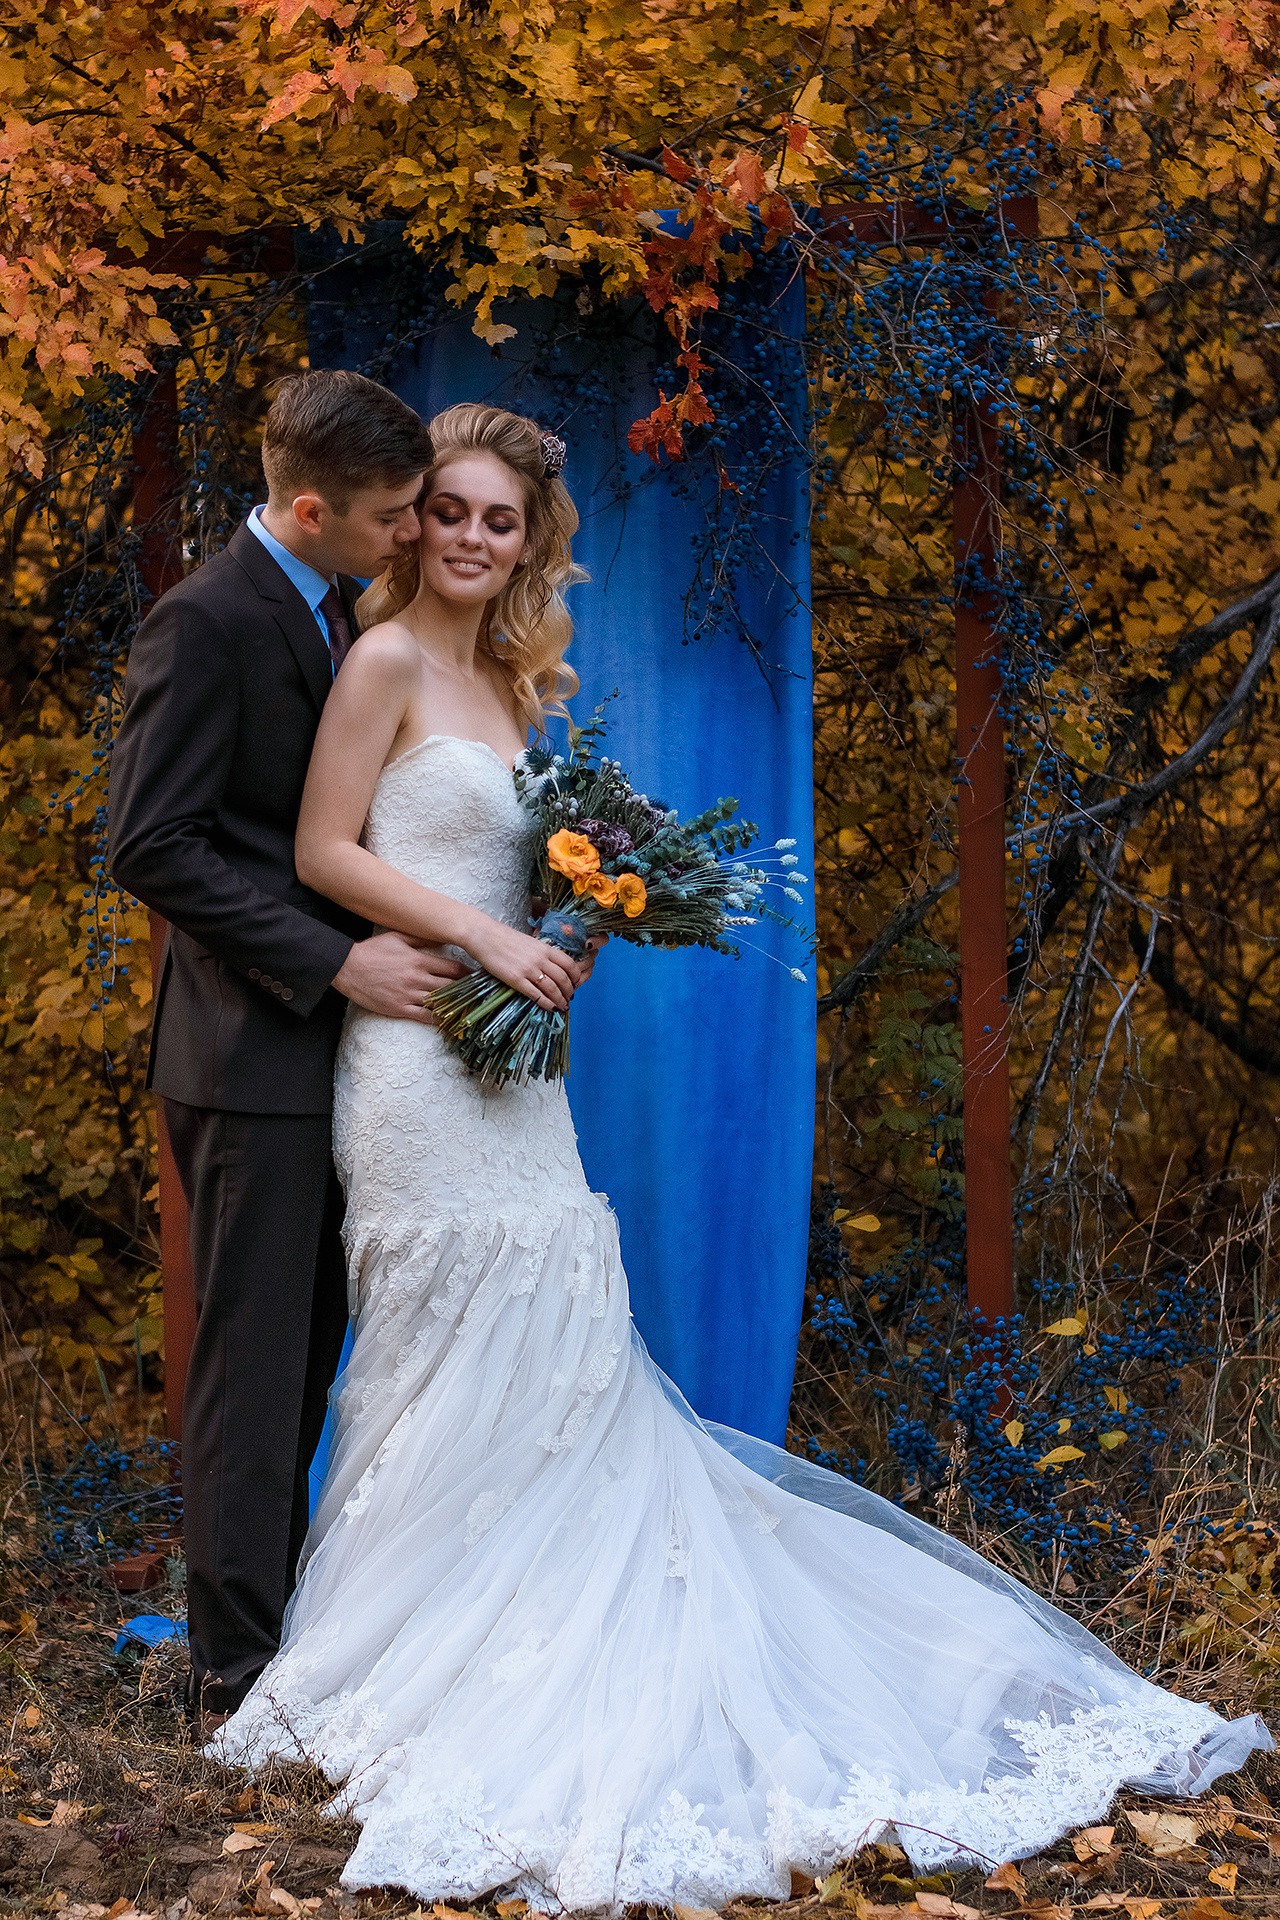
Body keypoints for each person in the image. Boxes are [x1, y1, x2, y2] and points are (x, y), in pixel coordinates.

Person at [215, 401, 1269, 1912]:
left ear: (530, 543)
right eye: (445, 510)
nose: (466, 537)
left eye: (497, 521)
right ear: (408, 518)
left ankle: (545, 1608)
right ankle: (403, 1640)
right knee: (438, 1329)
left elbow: (521, 865)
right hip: (412, 1059)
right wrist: (485, 933)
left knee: (553, 1326)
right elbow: (326, 855)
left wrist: (576, 922)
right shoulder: (379, 659)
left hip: (515, 1063)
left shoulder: (512, 686)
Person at [109, 371, 594, 1735]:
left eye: (475, 518)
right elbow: (152, 844)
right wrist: (336, 960)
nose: (423, 537)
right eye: (413, 513)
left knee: (345, 1355)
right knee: (257, 1375)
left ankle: (366, 1631)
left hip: (390, 1040)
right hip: (257, 1046)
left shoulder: (341, 616)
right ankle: (239, 1683)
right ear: (326, 508)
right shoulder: (209, 619)